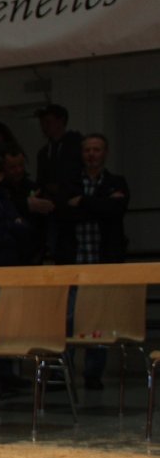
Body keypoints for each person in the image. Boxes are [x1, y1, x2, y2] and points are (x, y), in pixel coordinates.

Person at [56, 133, 130, 389]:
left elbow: (114, 212)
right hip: (73, 262)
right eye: (87, 150)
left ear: (105, 153)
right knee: (67, 318)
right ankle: (63, 373)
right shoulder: (71, 182)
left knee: (97, 320)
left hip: (103, 262)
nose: (91, 154)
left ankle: (92, 374)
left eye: (96, 150)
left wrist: (85, 203)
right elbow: (64, 213)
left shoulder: (115, 181)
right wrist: (100, 205)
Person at [0, 145, 53, 264]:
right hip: (4, 256)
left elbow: (43, 227)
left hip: (32, 255)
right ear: (3, 169)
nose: (18, 170)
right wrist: (25, 204)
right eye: (12, 167)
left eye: (21, 165)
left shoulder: (33, 188)